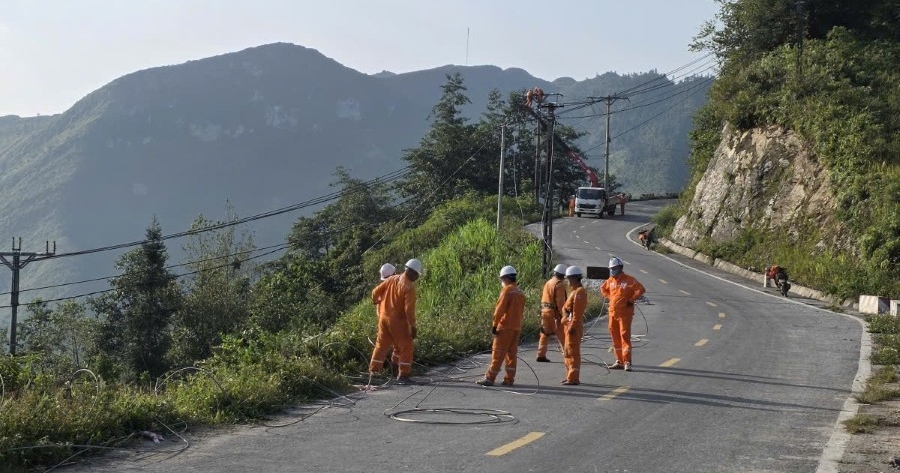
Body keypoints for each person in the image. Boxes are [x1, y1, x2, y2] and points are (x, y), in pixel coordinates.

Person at [369, 258, 422, 385]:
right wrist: (412, 326)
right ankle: (403, 374)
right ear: (412, 272)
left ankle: (374, 372)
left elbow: (375, 292)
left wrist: (375, 301)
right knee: (406, 346)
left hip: (383, 318)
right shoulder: (409, 287)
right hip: (397, 321)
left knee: (381, 345)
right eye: (417, 275)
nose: (417, 278)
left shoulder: (392, 279)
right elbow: (409, 310)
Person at [477, 266, 526, 387]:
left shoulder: (507, 291)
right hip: (516, 327)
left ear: (506, 278)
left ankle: (490, 377)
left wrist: (495, 324)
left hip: (504, 327)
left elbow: (500, 309)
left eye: (502, 279)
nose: (502, 282)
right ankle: (509, 379)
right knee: (511, 355)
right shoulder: (520, 292)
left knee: (498, 353)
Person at [600, 257, 646, 372]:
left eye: (614, 268)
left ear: (620, 268)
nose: (612, 271)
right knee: (615, 338)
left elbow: (641, 289)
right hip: (612, 313)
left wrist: (631, 299)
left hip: (625, 314)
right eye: (611, 269)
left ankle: (627, 362)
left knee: (624, 336)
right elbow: (603, 289)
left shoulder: (629, 280)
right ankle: (619, 360)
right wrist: (610, 298)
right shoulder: (610, 280)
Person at [560, 265, 587, 385]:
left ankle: (573, 377)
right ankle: (569, 375)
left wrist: (572, 327)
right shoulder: (574, 291)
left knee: (573, 352)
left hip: (572, 327)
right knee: (567, 352)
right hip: (568, 326)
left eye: (570, 278)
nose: (568, 281)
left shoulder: (579, 292)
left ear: (576, 278)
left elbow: (577, 312)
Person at [536, 263, 568, 362]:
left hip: (544, 311)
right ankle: (567, 354)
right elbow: (560, 302)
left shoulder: (548, 283)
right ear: (563, 275)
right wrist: (563, 314)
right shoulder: (559, 284)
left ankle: (541, 354)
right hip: (554, 313)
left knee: (544, 333)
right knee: (562, 333)